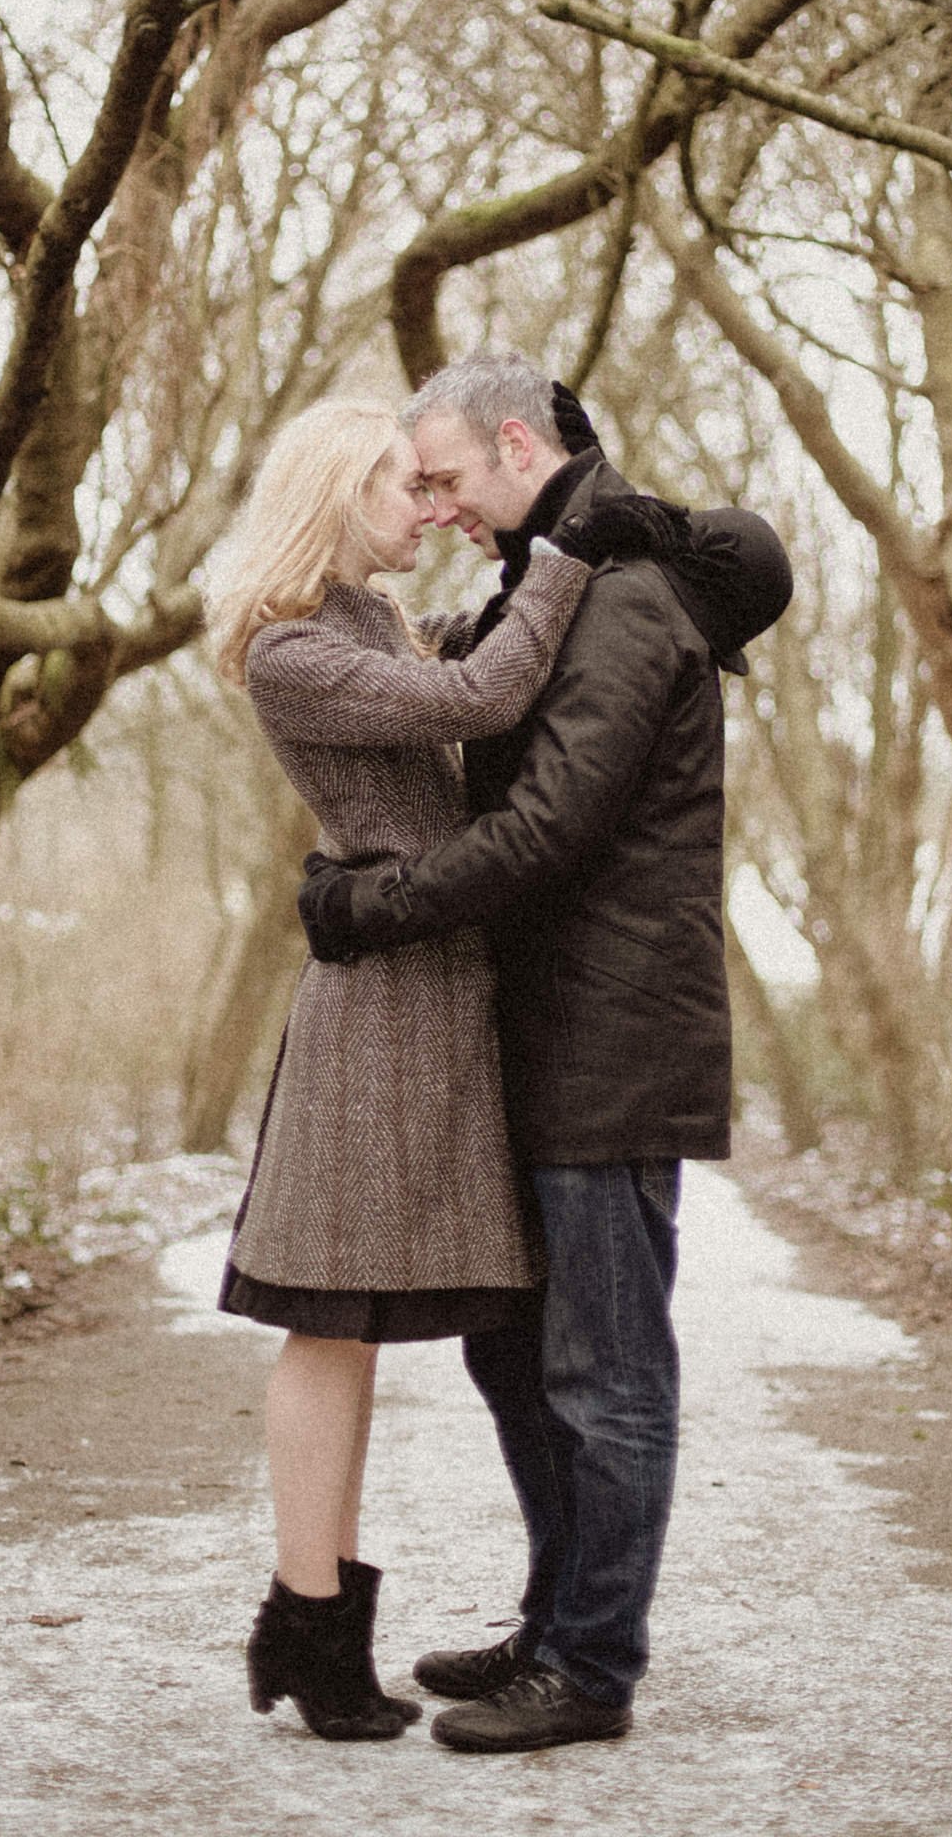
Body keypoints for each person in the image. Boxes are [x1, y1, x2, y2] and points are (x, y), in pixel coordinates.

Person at [299, 352, 793, 1755]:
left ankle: (594, 1667)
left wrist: (367, 910)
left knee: (607, 1372)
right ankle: (555, 1616)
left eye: (447, 477)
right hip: (536, 1035)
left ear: (520, 442)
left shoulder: (626, 600)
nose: (440, 505)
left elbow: (549, 830)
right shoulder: (553, 576)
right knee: (514, 1359)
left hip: (616, 1040)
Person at [207, 395, 619, 1742]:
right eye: (402, 484)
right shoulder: (290, 651)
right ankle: (311, 1626)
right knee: (328, 1319)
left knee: (357, 1327)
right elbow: (481, 692)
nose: (424, 507)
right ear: (335, 496)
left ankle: (309, 1623)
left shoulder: (367, 623)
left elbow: (472, 653)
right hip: (373, 1022)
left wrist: (534, 559)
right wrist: (564, 549)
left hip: (431, 999)